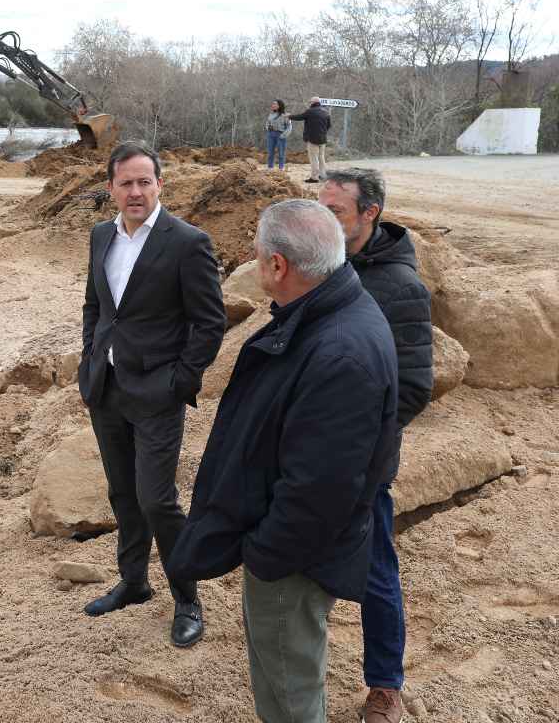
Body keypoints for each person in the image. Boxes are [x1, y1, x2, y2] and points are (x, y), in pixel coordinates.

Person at [168, 199, 399, 722]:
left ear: (278, 266)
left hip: (294, 562)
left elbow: (319, 489)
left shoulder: (339, 351)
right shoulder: (329, 315)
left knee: (289, 697)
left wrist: (266, 556)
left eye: (257, 255)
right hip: (297, 549)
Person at [78, 140, 226, 648]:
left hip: (157, 394)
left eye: (145, 181)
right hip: (107, 389)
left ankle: (187, 597)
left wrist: (180, 381)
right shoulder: (101, 236)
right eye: (126, 183)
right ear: (111, 189)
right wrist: (90, 358)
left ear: (160, 184)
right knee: (123, 494)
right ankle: (135, 582)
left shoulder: (187, 242)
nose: (136, 192)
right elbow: (95, 306)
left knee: (158, 501)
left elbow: (210, 323)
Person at [319, 168, 433, 723]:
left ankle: (385, 685)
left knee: (376, 571)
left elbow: (412, 387)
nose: (324, 222)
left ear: (371, 213)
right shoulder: (319, 265)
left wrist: (355, 446)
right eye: (321, 210)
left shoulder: (401, 288)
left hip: (362, 462)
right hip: (304, 453)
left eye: (335, 213)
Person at [289, 97, 332, 182]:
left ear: (313, 102)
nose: (309, 103)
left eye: (310, 102)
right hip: (323, 139)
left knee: (314, 158)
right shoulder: (326, 112)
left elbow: (299, 117)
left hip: (312, 139)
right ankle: (323, 175)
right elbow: (329, 126)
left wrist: (289, 116)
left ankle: (314, 177)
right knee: (321, 157)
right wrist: (323, 132)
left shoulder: (310, 111)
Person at [264, 99, 292, 170]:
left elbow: (289, 127)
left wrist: (283, 135)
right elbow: (267, 123)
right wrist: (267, 128)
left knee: (281, 153)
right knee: (270, 152)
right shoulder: (271, 114)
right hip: (271, 134)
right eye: (272, 104)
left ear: (279, 106)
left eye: (275, 104)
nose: (273, 105)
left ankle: (281, 168)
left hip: (280, 134)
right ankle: (270, 168)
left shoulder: (285, 115)